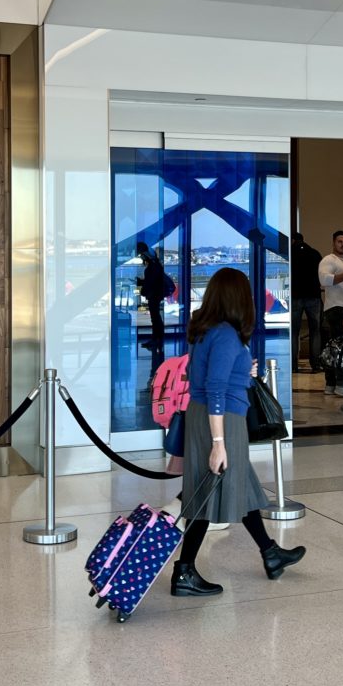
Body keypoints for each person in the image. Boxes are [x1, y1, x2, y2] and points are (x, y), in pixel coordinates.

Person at [172, 268, 306, 597]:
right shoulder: (226, 334)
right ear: (237, 298)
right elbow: (215, 389)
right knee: (207, 492)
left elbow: (197, 373)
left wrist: (244, 372)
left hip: (208, 416)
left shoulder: (205, 331)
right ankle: (184, 572)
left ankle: (270, 553)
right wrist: (218, 443)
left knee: (241, 486)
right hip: (221, 421)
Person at [318, 230, 343, 396]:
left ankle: (330, 384)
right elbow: (324, 280)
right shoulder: (329, 260)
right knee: (341, 348)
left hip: (341, 308)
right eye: (340, 241)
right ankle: (342, 383)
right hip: (335, 308)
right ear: (333, 243)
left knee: (333, 348)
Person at [134, 241, 172, 378]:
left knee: (155, 317)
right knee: (155, 317)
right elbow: (152, 280)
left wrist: (142, 286)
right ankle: (156, 338)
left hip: (154, 295)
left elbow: (151, 281)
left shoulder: (152, 267)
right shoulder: (155, 266)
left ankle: (157, 338)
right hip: (155, 294)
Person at [291, 232, 324, 374]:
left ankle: (293, 364)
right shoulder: (315, 254)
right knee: (315, 331)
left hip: (295, 296)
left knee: (294, 332)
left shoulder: (289, 254)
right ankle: (315, 364)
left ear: (292, 240)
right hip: (314, 296)